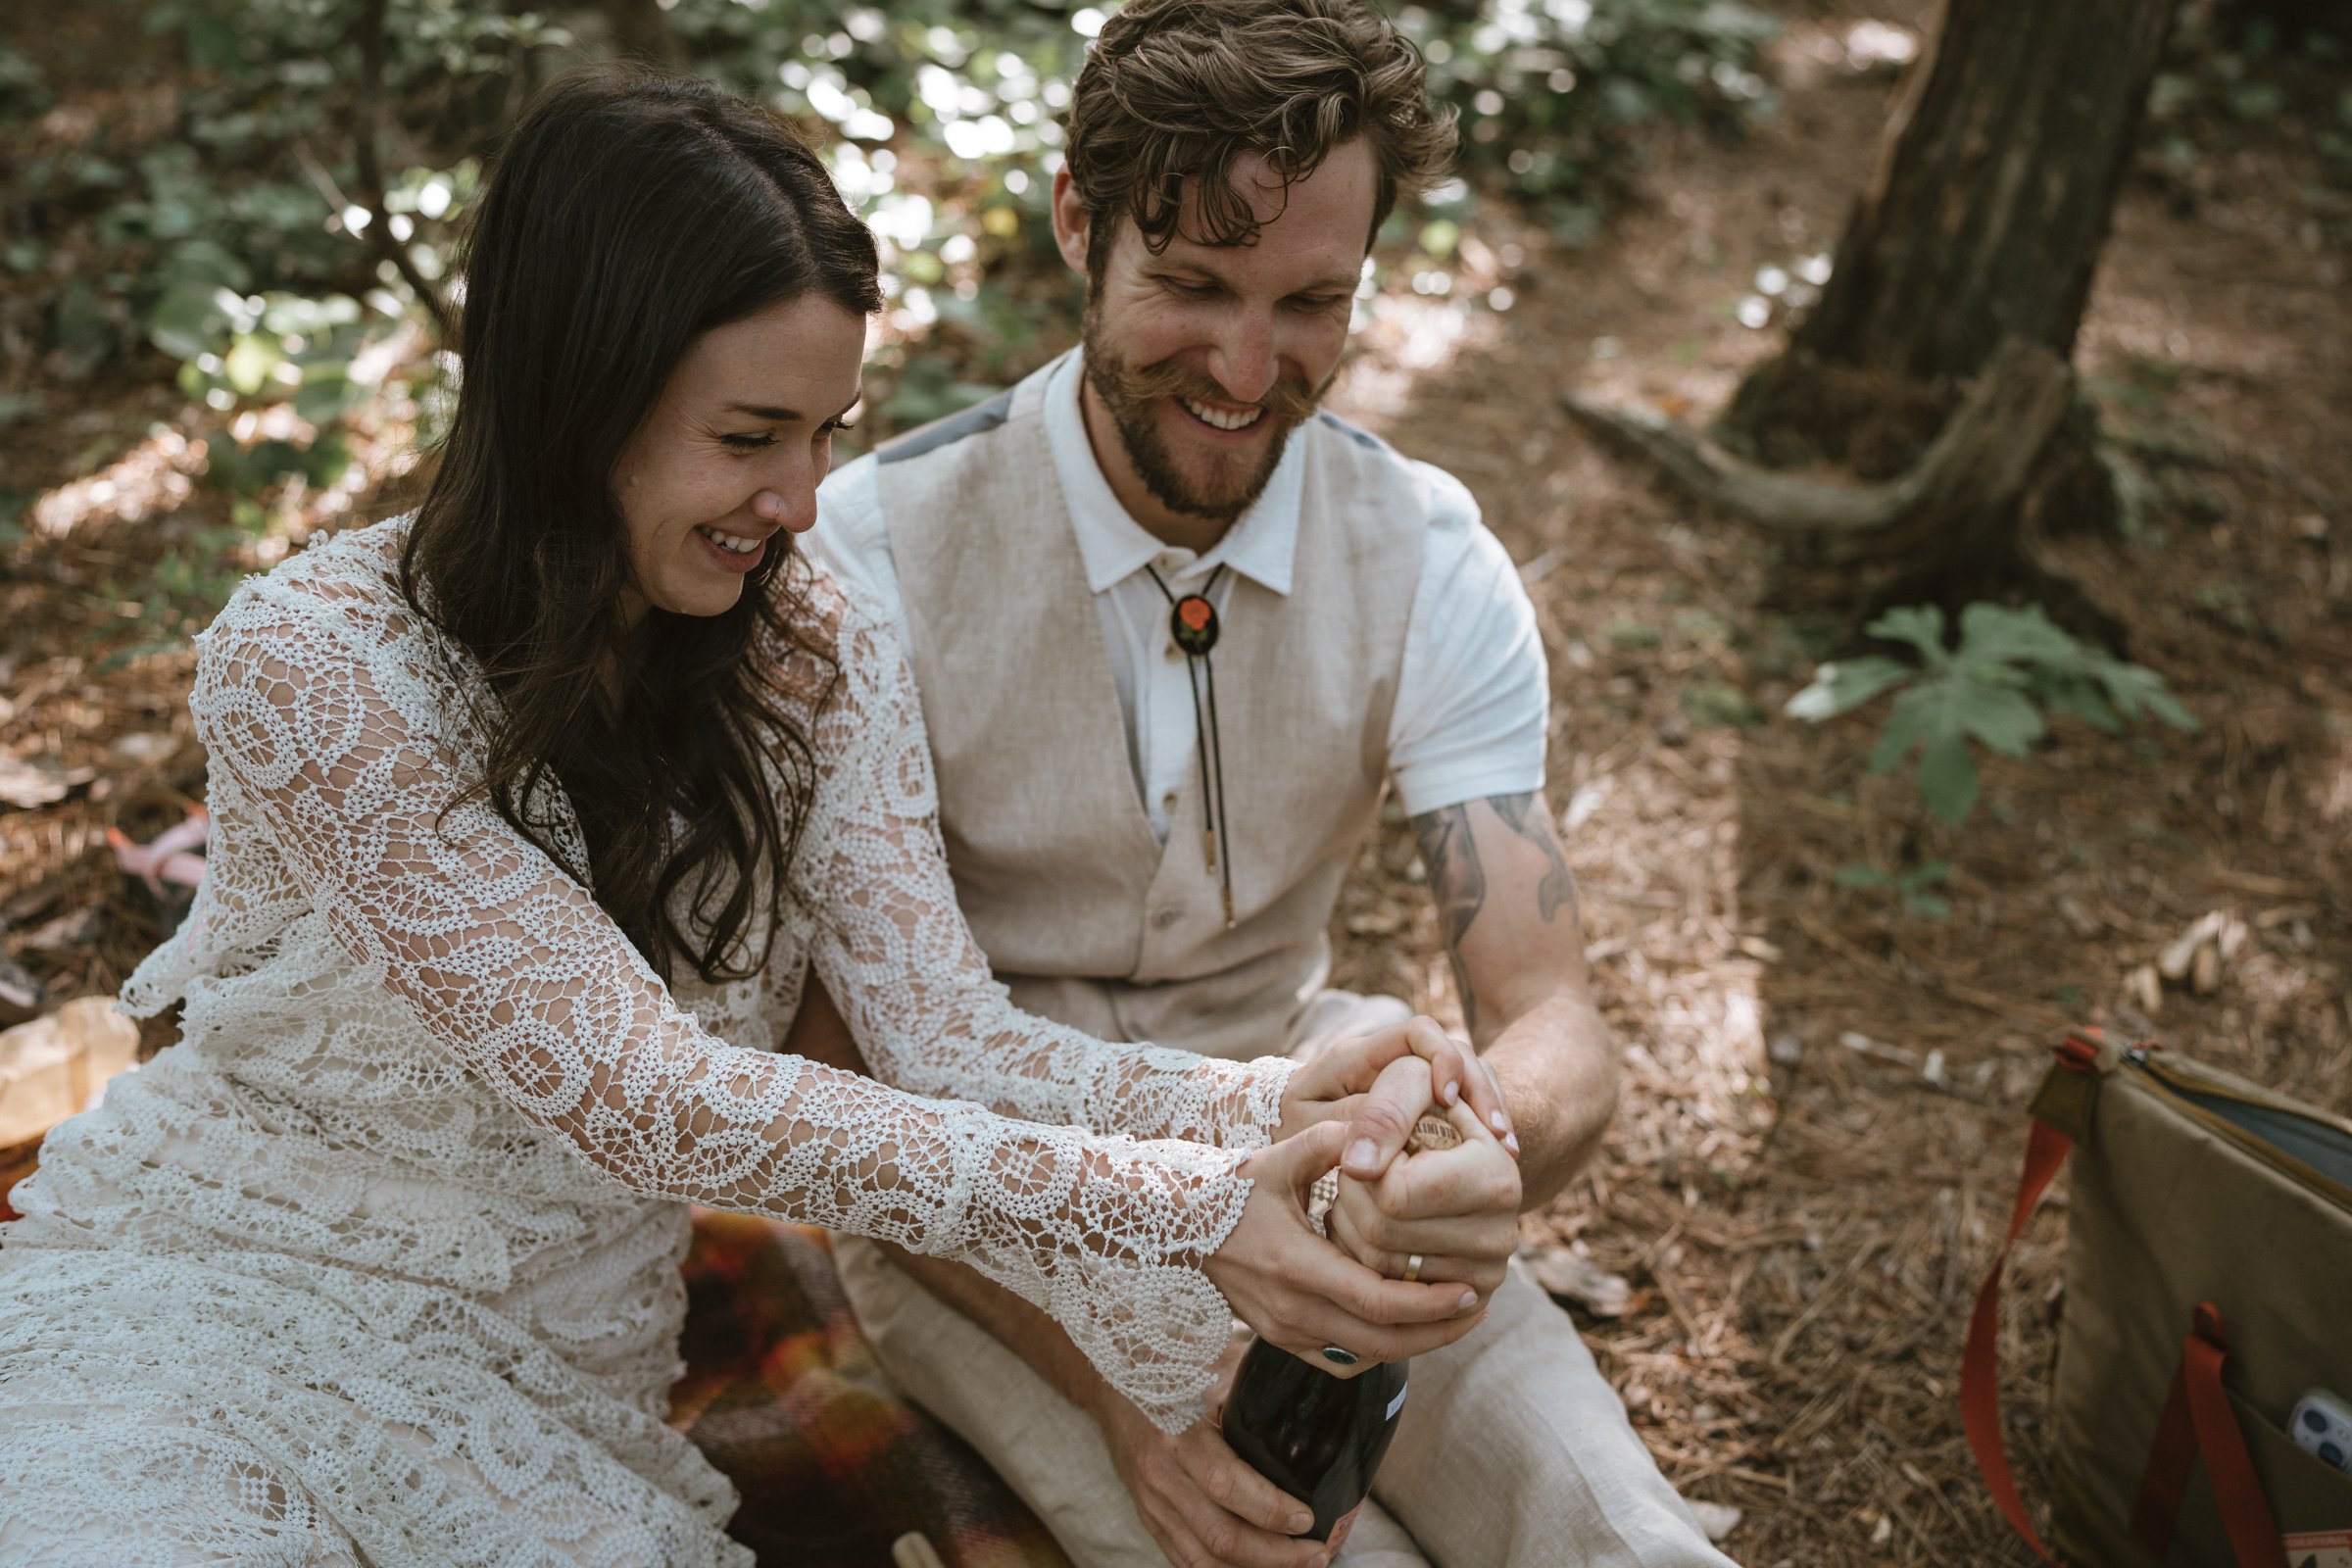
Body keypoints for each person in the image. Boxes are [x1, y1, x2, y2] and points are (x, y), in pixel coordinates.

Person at [0, 68, 1505, 1567]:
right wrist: (1187, 1206)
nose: (798, 499)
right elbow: (650, 1098)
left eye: (828, 436)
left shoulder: (815, 651)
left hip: (554, 1407)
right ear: (575, 399)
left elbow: (949, 1047)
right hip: (226, 1319)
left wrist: (1269, 1100)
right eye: (748, 437)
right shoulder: (319, 666)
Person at [803, 3, 1740, 1565]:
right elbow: (839, 1080)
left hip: (1313, 1133)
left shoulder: (1430, 553)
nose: (1248, 370)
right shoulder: (870, 552)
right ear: (1078, 226)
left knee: (1619, 1536)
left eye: (1314, 302)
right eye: (1191, 287)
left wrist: (1465, 1157)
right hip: (986, 1214)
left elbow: (1552, 1019)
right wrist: (1113, 1399)